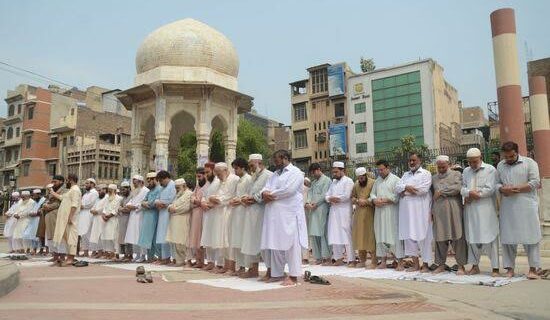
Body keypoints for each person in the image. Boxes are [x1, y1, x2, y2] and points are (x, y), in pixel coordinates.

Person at [260, 150, 308, 286]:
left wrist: (271, 195)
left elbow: (289, 190)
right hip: (274, 215)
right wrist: (264, 194)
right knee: (275, 244)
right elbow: (265, 188)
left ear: (285, 158)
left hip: (289, 215)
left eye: (276, 160)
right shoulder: (274, 174)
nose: (274, 163)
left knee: (291, 245)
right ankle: (277, 273)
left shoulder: (296, 173)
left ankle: (293, 276)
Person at [496, 141, 541, 279]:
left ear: (517, 152)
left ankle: (533, 269)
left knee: (531, 238)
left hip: (527, 206)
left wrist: (516, 189)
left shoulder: (530, 163)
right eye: (506, 157)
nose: (509, 159)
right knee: (508, 238)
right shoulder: (500, 165)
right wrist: (502, 189)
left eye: (512, 156)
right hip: (508, 207)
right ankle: (510, 269)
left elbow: (535, 182)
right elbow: (497, 183)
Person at [461, 147, 500, 277]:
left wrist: (472, 195)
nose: (472, 164)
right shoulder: (466, 171)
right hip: (471, 211)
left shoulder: (490, 170)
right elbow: (462, 188)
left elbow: (490, 189)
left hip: (486, 210)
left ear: (480, 157)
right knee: (472, 238)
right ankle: (475, 266)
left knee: (491, 237)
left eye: (475, 161)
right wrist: (468, 193)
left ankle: (495, 268)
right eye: (470, 162)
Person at [395, 153, 433, 272]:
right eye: (410, 160)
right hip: (406, 213)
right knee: (409, 237)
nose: (411, 162)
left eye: (414, 160)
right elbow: (397, 188)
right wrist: (407, 187)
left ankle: (426, 264)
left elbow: (423, 190)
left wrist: (404, 190)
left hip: (420, 210)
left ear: (420, 160)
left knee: (423, 237)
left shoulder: (426, 173)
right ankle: (416, 264)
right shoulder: (405, 175)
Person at [431, 155, 467, 275]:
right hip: (439, 210)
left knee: (458, 237)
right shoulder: (434, 178)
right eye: (439, 167)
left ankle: (461, 265)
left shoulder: (456, 174)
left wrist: (441, 192)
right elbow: (432, 195)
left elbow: (457, 188)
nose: (441, 169)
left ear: (449, 164)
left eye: (443, 167)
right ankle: (441, 264)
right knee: (440, 238)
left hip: (454, 210)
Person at [202, 162, 239, 273]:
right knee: (222, 241)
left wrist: (217, 200)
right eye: (216, 174)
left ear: (225, 170)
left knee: (228, 241)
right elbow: (212, 196)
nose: (217, 176)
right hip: (219, 213)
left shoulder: (234, 179)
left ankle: (231, 267)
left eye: (218, 173)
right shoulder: (219, 181)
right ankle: (224, 266)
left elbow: (230, 196)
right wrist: (212, 200)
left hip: (229, 212)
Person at [240, 154, 272, 278]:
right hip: (250, 214)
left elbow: (268, 193)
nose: (251, 168)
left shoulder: (269, 175)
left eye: (252, 165)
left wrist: (253, 198)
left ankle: (271, 270)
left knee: (264, 242)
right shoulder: (253, 177)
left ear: (259, 162)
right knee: (251, 242)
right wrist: (245, 199)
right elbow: (248, 193)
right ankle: (253, 269)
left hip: (262, 214)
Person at [370, 160, 404, 270]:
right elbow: (372, 194)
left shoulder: (396, 180)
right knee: (380, 234)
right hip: (379, 212)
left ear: (388, 168)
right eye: (378, 170)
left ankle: (400, 262)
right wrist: (375, 200)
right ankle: (383, 261)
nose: (380, 172)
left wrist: (386, 200)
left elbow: (397, 197)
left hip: (391, 212)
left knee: (393, 235)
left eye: (382, 169)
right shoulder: (377, 181)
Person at [325, 161, 355, 266]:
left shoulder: (349, 181)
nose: (334, 174)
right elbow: (326, 196)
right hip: (334, 211)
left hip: (344, 211)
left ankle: (351, 259)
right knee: (334, 233)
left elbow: (346, 196)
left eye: (336, 172)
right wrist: (331, 198)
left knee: (346, 233)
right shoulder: (333, 182)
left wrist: (334, 198)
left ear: (343, 170)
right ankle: (338, 258)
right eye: (333, 172)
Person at [227, 158, 252, 276]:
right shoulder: (238, 180)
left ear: (243, 168)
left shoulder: (248, 179)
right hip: (236, 212)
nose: (235, 171)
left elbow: (249, 195)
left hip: (244, 212)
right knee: (236, 240)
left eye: (236, 168)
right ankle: (240, 266)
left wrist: (240, 200)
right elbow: (234, 195)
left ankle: (247, 267)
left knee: (243, 240)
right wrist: (233, 200)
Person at [52, 174, 82, 266]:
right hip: (65, 218)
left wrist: (70, 217)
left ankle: (71, 258)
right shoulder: (71, 190)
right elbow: (62, 198)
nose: (66, 183)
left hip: (71, 218)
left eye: (67, 180)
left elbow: (74, 205)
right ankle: (68, 257)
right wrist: (52, 192)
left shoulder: (76, 190)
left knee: (72, 237)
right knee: (66, 238)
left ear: (71, 180)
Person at [305, 163, 332, 265]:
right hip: (313, 210)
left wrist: (316, 203)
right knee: (314, 233)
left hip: (322, 208)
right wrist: (308, 202)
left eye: (314, 172)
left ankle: (326, 257)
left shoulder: (327, 180)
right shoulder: (314, 182)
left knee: (323, 233)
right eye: (312, 173)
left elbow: (325, 194)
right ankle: (318, 257)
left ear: (319, 169)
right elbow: (310, 193)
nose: (313, 174)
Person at [351, 167, 377, 269]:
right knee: (360, 236)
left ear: (365, 175)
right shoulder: (356, 184)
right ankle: (362, 260)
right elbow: (352, 197)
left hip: (370, 212)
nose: (360, 180)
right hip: (359, 214)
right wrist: (357, 201)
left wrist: (366, 201)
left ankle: (374, 261)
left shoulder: (373, 183)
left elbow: (375, 196)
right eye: (359, 178)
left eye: (362, 178)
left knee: (370, 236)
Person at [166, 178, 193, 267]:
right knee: (176, 242)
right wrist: (170, 208)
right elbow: (171, 205)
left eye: (178, 188)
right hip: (175, 221)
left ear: (184, 186)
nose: (176, 190)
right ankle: (179, 261)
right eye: (176, 188)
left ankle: (187, 260)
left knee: (183, 242)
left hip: (183, 220)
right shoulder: (178, 195)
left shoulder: (189, 194)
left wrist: (174, 210)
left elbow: (186, 208)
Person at [123, 175, 149, 262]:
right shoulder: (135, 191)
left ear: (141, 182)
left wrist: (135, 207)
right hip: (133, 215)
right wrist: (128, 206)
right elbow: (131, 201)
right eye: (133, 183)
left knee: (140, 235)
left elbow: (145, 202)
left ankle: (143, 255)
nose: (134, 185)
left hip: (141, 214)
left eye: (136, 183)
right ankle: (137, 255)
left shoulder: (146, 190)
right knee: (133, 235)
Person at [200, 162, 220, 271]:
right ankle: (210, 262)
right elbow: (203, 196)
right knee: (207, 237)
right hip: (207, 213)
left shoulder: (218, 182)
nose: (206, 175)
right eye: (205, 172)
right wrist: (203, 202)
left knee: (215, 237)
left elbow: (219, 197)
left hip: (215, 212)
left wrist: (209, 204)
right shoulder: (207, 183)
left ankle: (218, 263)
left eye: (208, 172)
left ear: (213, 170)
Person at [138, 172, 162, 262]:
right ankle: (150, 257)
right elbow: (143, 201)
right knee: (147, 237)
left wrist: (146, 204)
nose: (149, 182)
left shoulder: (159, 189)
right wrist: (146, 203)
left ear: (155, 179)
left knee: (154, 237)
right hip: (148, 216)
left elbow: (152, 203)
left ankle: (156, 256)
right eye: (147, 180)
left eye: (150, 180)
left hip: (155, 215)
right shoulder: (150, 190)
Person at [154, 170, 177, 265]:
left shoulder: (173, 185)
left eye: (161, 181)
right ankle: (165, 258)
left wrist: (162, 203)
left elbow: (172, 199)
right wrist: (158, 203)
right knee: (162, 236)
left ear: (166, 178)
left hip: (169, 214)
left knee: (169, 236)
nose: (160, 183)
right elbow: (158, 198)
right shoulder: (162, 187)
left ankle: (173, 258)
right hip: (162, 214)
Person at [189, 168, 208, 268]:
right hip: (196, 213)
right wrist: (196, 201)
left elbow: (203, 201)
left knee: (202, 238)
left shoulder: (207, 186)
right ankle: (198, 260)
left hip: (203, 214)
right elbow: (192, 197)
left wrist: (197, 201)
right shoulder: (197, 186)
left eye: (199, 176)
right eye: (197, 176)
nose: (198, 178)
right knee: (195, 237)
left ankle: (203, 261)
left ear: (204, 175)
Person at [44, 176, 65, 260]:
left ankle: (62, 256)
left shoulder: (65, 190)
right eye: (52, 181)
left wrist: (48, 206)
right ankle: (55, 255)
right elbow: (48, 200)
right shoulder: (52, 190)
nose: (53, 183)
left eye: (55, 182)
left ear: (61, 182)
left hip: (58, 215)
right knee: (50, 236)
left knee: (59, 235)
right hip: (49, 215)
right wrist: (45, 205)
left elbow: (60, 202)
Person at [100, 184, 122, 260]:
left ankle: (115, 253)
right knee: (106, 237)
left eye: (110, 189)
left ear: (115, 190)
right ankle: (109, 252)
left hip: (113, 220)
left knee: (114, 237)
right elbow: (104, 208)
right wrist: (103, 215)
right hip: (106, 220)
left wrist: (108, 216)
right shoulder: (107, 198)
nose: (109, 191)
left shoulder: (119, 198)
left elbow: (116, 210)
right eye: (108, 189)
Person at [78, 178, 99, 257]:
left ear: (93, 184)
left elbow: (91, 204)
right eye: (85, 183)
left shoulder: (94, 193)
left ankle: (94, 251)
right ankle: (85, 252)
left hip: (89, 214)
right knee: (83, 234)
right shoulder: (86, 194)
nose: (85, 185)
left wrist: (82, 206)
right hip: (83, 215)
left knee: (90, 233)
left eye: (87, 183)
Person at [23, 189, 46, 254]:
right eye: (32, 195)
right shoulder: (35, 202)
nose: (33, 197)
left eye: (34, 195)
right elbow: (31, 210)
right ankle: (33, 249)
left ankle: (40, 250)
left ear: (38, 194)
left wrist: (36, 213)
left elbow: (42, 210)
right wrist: (30, 213)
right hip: (33, 220)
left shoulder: (43, 200)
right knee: (30, 234)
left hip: (40, 220)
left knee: (39, 235)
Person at [89, 185, 108, 258]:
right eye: (98, 191)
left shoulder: (106, 198)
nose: (99, 192)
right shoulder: (97, 199)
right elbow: (92, 208)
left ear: (104, 190)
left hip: (102, 218)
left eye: (100, 190)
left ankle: (105, 252)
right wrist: (92, 211)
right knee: (97, 236)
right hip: (96, 219)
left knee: (102, 235)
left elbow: (105, 208)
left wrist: (96, 211)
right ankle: (99, 252)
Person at [116, 181, 133, 261]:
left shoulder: (132, 196)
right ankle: (125, 254)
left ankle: (129, 255)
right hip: (122, 219)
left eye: (124, 189)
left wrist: (122, 209)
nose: (122, 191)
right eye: (121, 190)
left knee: (128, 238)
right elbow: (119, 207)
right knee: (122, 238)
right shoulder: (123, 198)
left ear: (129, 188)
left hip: (129, 219)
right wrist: (122, 209)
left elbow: (128, 208)